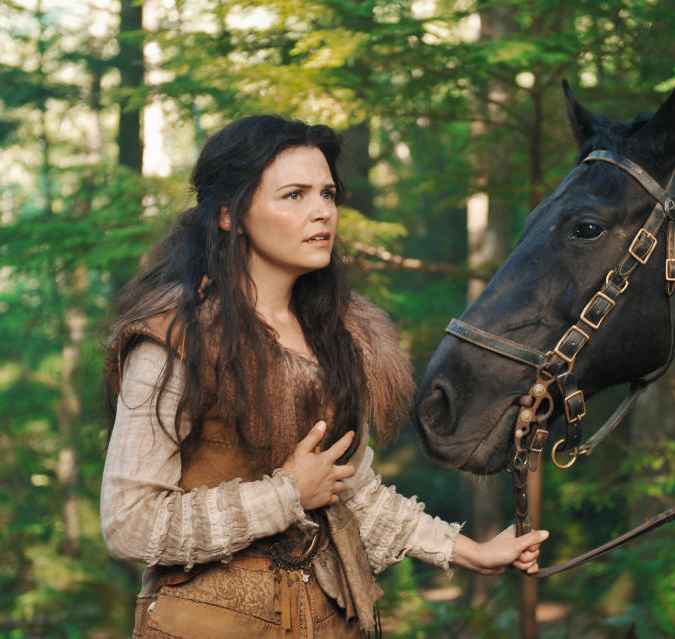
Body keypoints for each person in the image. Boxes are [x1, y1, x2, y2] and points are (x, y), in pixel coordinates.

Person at [100, 115, 548, 638]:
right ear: (228, 214)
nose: (322, 212)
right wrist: (285, 495)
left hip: (332, 622)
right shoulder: (175, 341)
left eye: (328, 194)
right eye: (294, 195)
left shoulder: (337, 338)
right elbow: (129, 523)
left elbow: (352, 490)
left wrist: (470, 551)